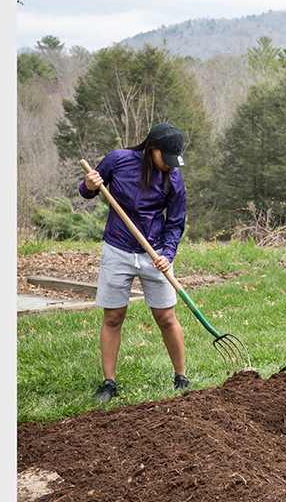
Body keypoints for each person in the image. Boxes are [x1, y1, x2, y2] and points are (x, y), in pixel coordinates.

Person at [78, 123, 191, 403]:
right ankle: (108, 382)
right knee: (113, 317)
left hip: (155, 253)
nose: (169, 165)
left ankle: (181, 377)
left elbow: (176, 223)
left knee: (166, 317)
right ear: (151, 149)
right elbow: (89, 190)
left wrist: (168, 255)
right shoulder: (118, 161)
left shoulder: (173, 179)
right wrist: (88, 185)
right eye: (165, 158)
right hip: (117, 248)